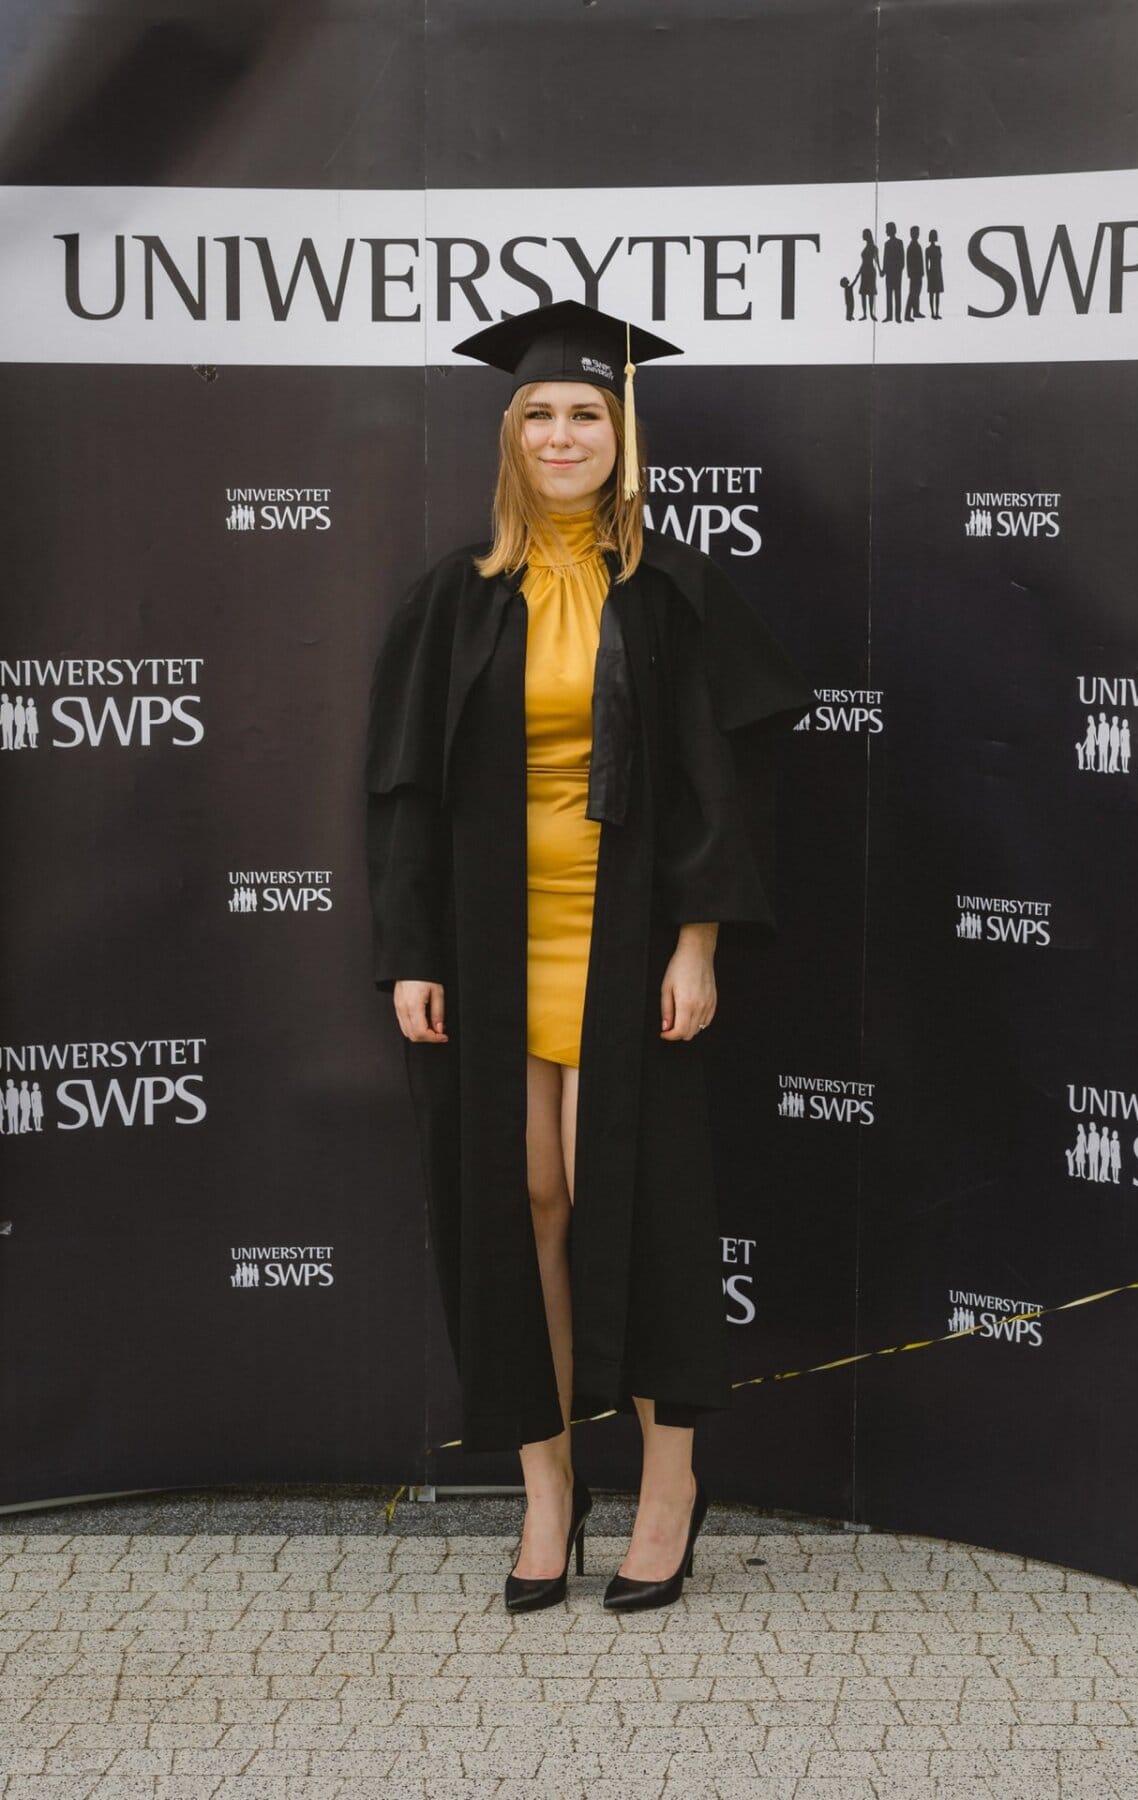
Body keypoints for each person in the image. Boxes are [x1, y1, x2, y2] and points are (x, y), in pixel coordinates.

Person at [365, 298, 814, 1614]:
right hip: (493, 942)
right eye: (542, 415)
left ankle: (669, 1487)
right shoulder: (456, 599)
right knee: (527, 1206)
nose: (564, 434)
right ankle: (547, 1492)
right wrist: (410, 952)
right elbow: (400, 793)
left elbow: (719, 782)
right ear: (513, 437)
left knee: (653, 1207)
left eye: (587, 415)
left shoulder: (667, 590)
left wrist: (697, 942)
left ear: (623, 437)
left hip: (625, 942)